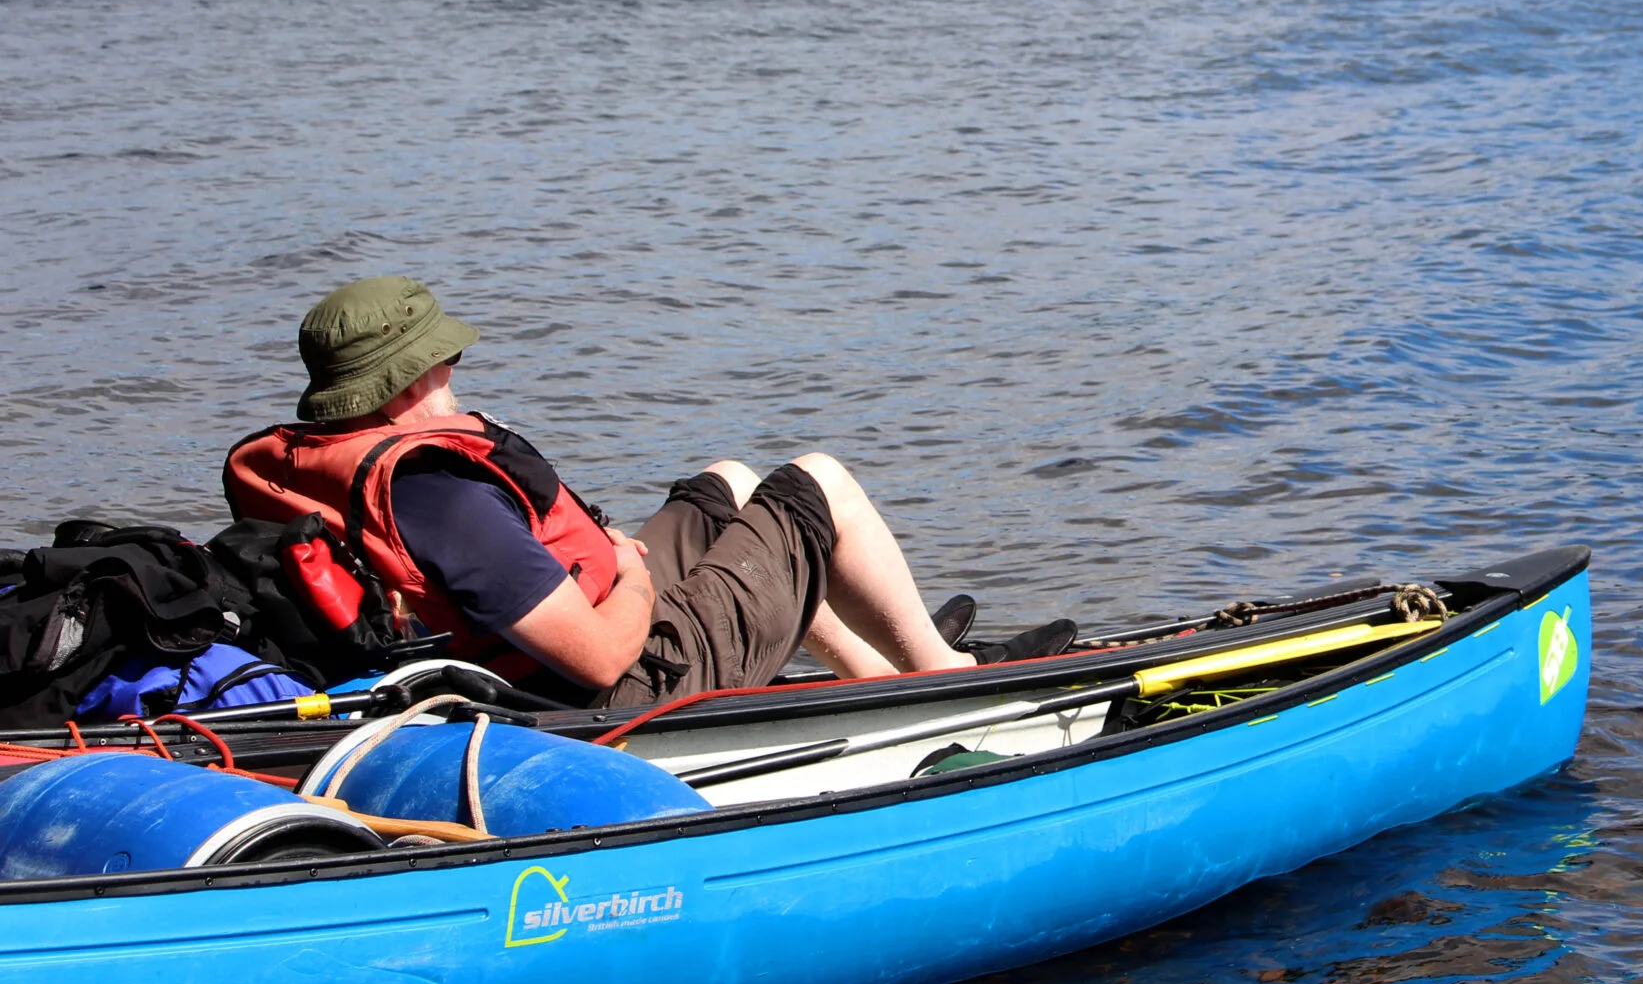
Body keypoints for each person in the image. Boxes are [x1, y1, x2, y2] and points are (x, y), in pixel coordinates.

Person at [224, 276, 1073, 707]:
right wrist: (630, 573)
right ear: (417, 372)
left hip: (531, 640)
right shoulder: (439, 494)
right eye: (443, 354)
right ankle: (952, 681)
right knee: (819, 483)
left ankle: (871, 682)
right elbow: (597, 657)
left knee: (732, 485)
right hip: (617, 683)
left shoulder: (325, 460)